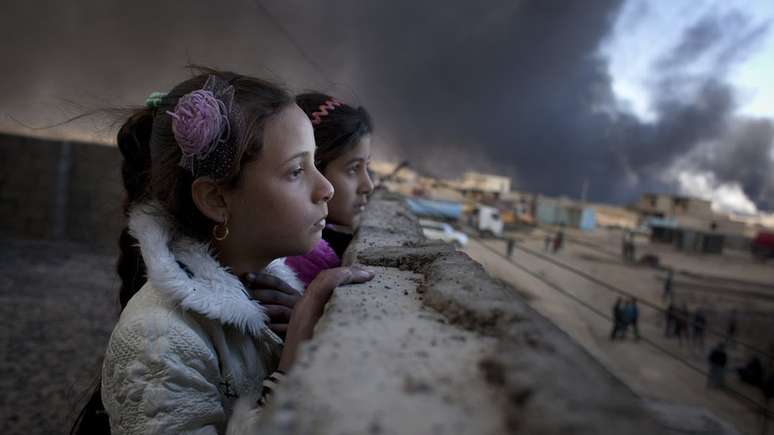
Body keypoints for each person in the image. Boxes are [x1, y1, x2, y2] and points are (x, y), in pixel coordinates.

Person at [72, 70, 375, 434]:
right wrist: (290, 371)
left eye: (315, 163)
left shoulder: (265, 292)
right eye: (297, 170)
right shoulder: (159, 341)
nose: (325, 187)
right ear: (216, 199)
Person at [285, 93, 374, 286]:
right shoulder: (304, 260)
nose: (368, 186)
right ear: (311, 169)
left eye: (367, 166)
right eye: (353, 169)